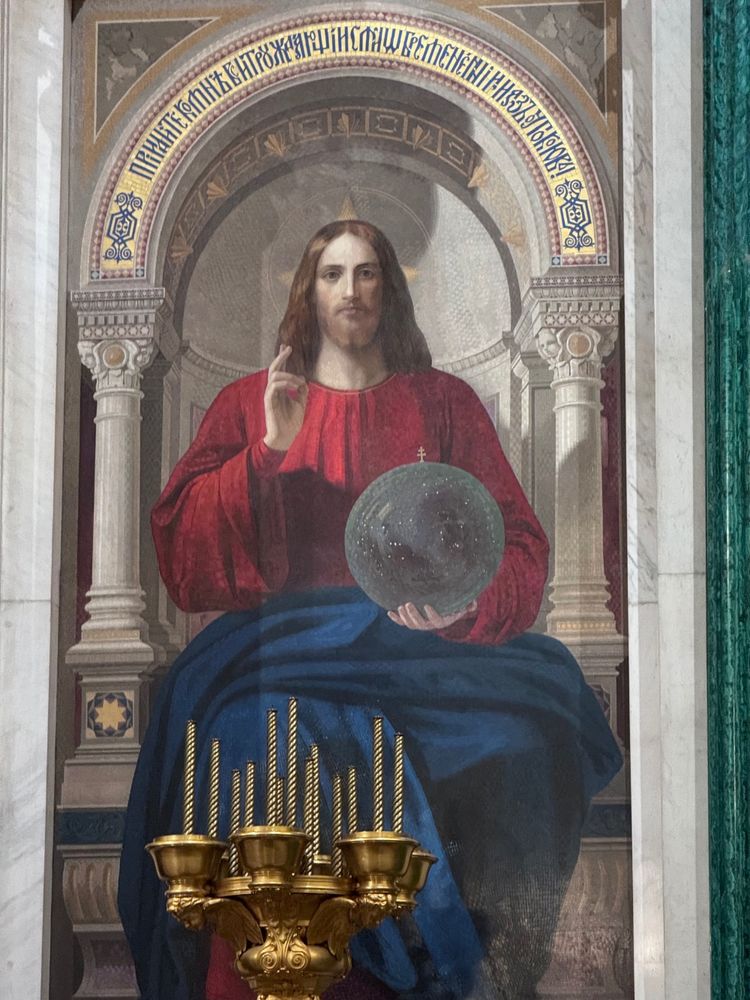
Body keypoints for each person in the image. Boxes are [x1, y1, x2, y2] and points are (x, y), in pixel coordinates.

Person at [119, 221, 621, 1000]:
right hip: (287, 644)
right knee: (251, 732)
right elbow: (183, 555)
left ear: (389, 287)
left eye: (366, 273)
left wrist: (460, 608)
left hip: (425, 646)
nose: (350, 290)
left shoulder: (444, 402)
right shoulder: (250, 403)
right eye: (332, 274)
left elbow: (517, 541)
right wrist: (267, 451)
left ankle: (478, 968)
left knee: (528, 732)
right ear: (307, 290)